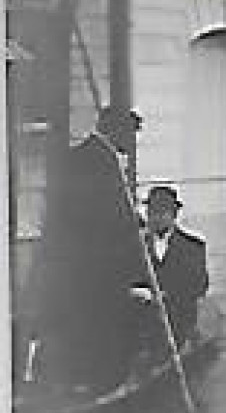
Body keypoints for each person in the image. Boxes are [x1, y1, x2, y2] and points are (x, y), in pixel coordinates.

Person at [44, 106, 149, 389]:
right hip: (95, 263)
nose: (133, 143)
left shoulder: (88, 157)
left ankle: (88, 379)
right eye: (131, 134)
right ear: (117, 131)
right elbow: (90, 215)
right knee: (99, 320)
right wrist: (130, 220)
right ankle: (100, 381)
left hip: (82, 261)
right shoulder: (98, 162)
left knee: (90, 320)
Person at [138, 185, 209, 348]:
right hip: (144, 321)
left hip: (179, 319)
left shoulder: (193, 246)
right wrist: (137, 291)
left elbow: (200, 286)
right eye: (152, 212)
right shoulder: (137, 247)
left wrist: (165, 296)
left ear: (174, 215)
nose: (156, 218)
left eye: (162, 213)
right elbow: (129, 278)